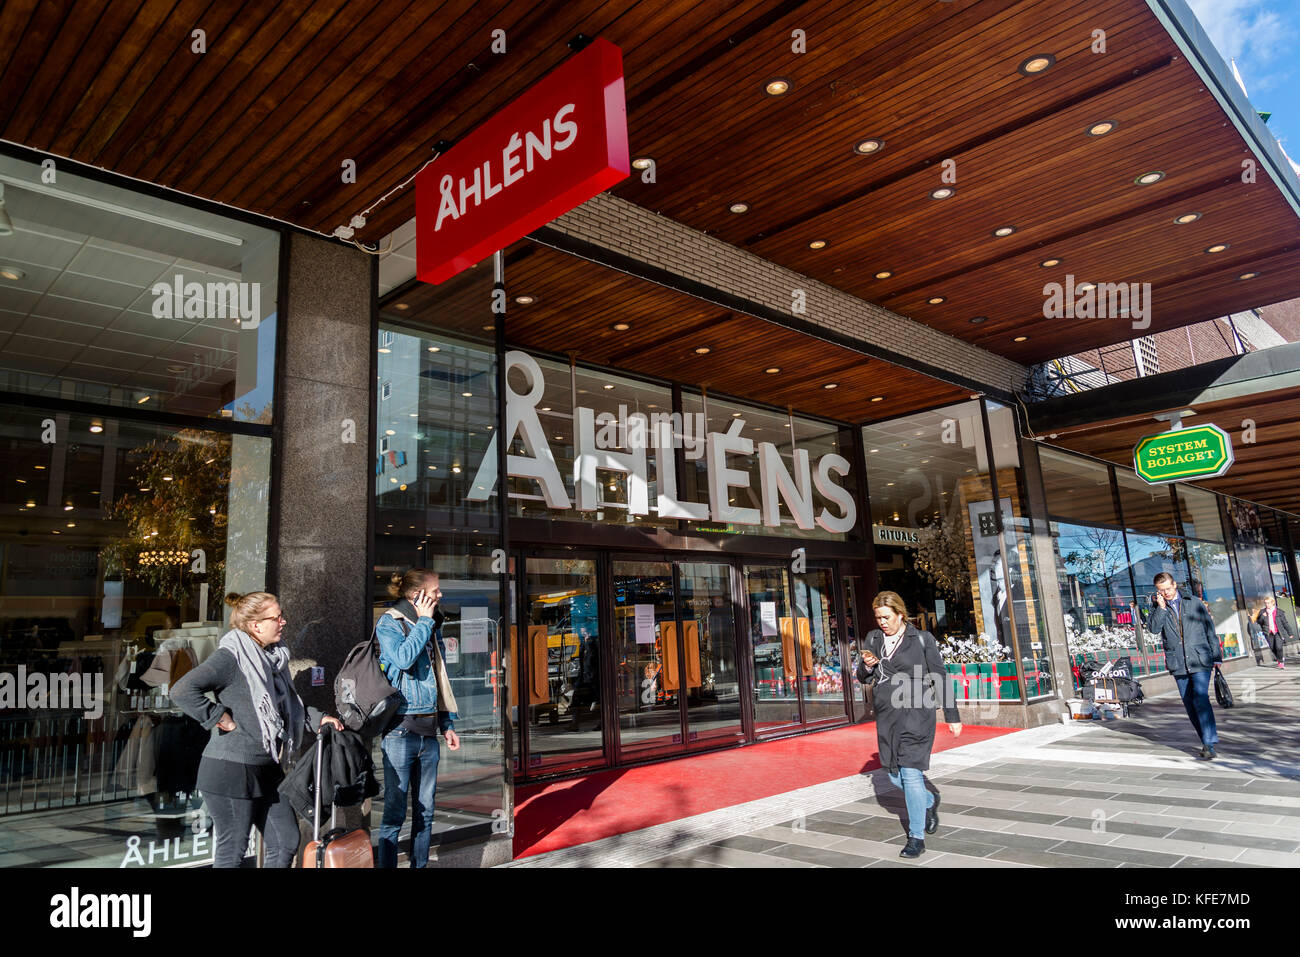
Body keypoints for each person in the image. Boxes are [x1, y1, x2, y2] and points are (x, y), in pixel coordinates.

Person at [172, 592, 343, 868]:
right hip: (231, 767)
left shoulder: (271, 660)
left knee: (286, 841)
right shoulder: (231, 656)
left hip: (266, 765)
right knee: (233, 850)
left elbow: (284, 706)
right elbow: (182, 690)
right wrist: (219, 716)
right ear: (255, 625)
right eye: (276, 617)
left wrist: (316, 718)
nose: (283, 622)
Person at [855, 591, 961, 859]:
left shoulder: (921, 639)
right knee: (893, 774)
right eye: (878, 617)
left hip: (917, 712)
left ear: (900, 614)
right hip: (887, 714)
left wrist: (952, 715)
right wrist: (867, 667)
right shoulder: (873, 638)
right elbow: (862, 677)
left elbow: (939, 675)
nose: (882, 622)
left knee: (911, 773)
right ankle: (928, 800)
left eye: (887, 617)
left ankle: (916, 837)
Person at [375, 569, 460, 868]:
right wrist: (424, 621)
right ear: (417, 596)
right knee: (394, 813)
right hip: (400, 730)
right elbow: (402, 659)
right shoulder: (389, 623)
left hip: (428, 731)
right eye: (435, 590)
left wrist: (447, 724)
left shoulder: (431, 626)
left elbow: (440, 678)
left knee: (425, 812)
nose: (440, 595)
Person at [1146, 572, 1221, 759]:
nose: (1166, 593)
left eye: (1168, 589)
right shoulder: (1156, 607)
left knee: (1201, 697)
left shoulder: (1193, 601)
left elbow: (1209, 628)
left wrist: (1217, 655)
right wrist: (1161, 609)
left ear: (1175, 585)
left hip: (1200, 658)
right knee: (1189, 703)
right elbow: (1153, 629)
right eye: (1161, 591)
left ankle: (1209, 742)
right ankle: (1204, 739)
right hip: (1178, 661)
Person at [1255, 596, 1294, 669]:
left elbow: (1285, 623)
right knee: (1272, 648)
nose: (1267, 605)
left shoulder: (1279, 612)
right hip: (1268, 632)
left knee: (1279, 647)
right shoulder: (1262, 612)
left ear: (1272, 603)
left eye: (1268, 603)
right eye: (1266, 603)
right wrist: (1262, 617)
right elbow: (1258, 622)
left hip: (1278, 632)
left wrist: (1290, 633)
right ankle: (1280, 658)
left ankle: (1280, 661)